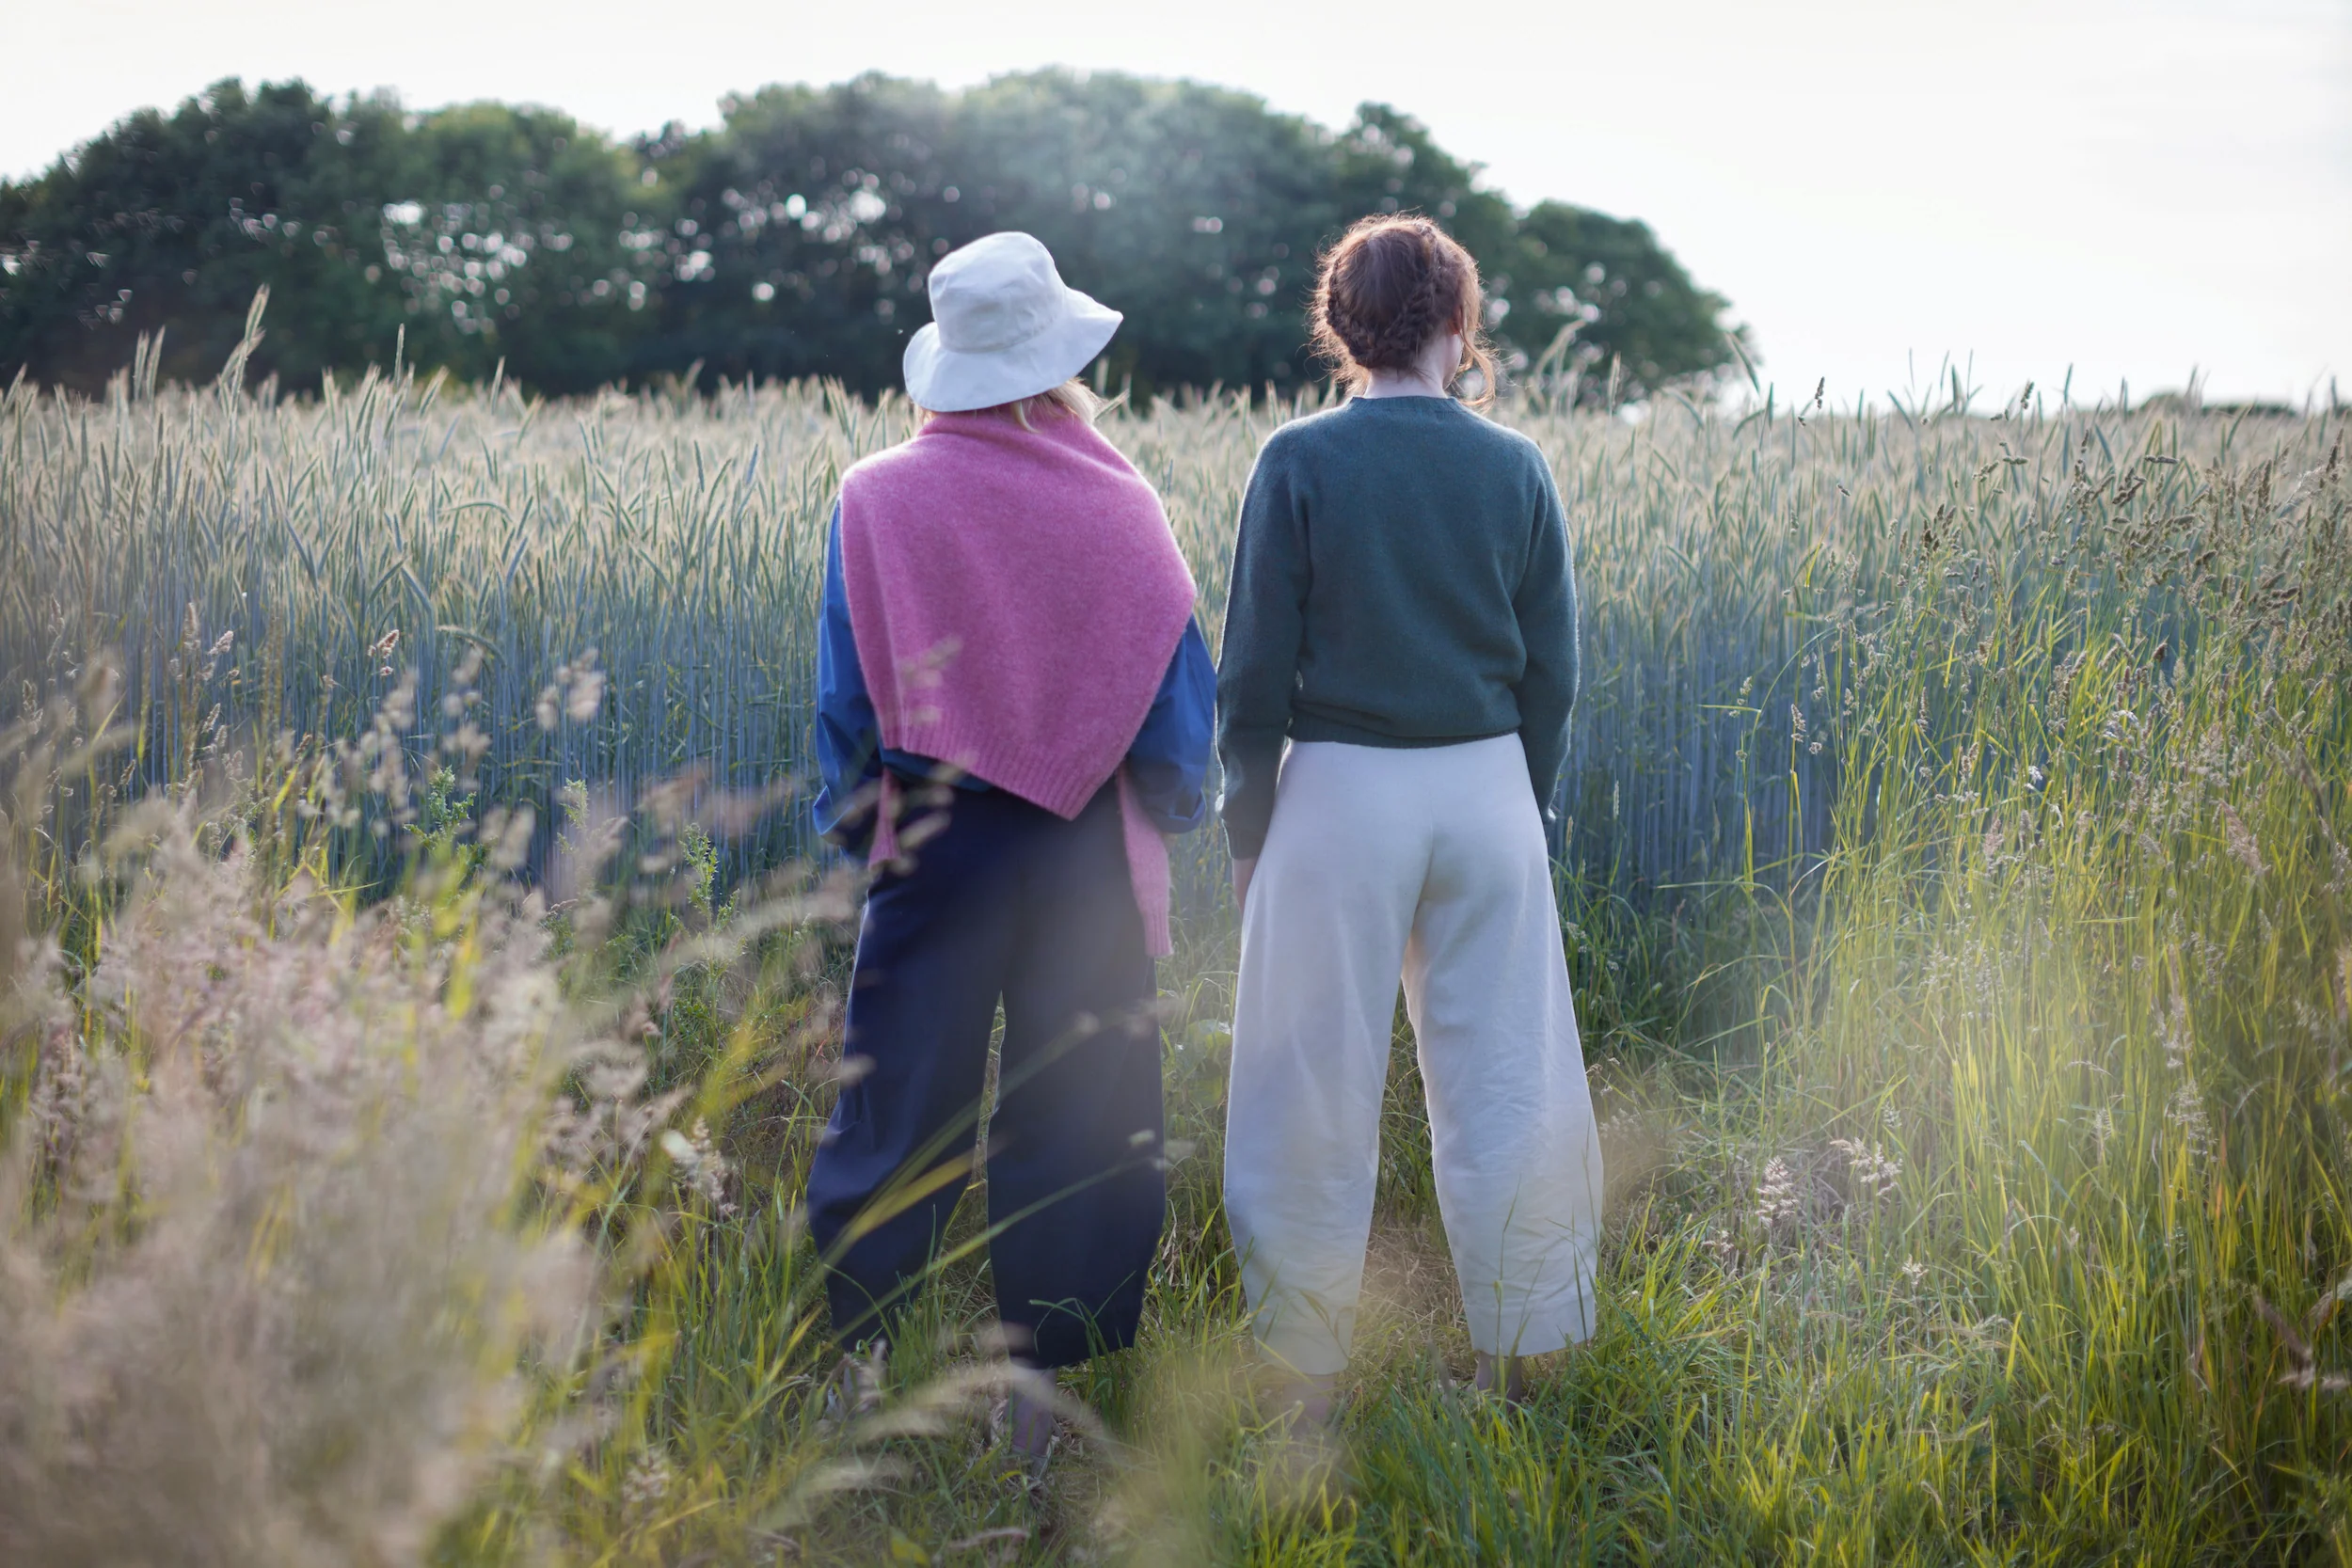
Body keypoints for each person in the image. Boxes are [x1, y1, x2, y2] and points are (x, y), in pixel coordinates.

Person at [804, 230, 1215, 1461]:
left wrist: (862, 828)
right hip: (1082, 850)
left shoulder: (873, 494)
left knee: (894, 1109)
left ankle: (858, 1379)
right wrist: (1166, 805)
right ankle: (1042, 1414)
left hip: (930, 839)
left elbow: (846, 691)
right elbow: (1176, 712)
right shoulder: (1124, 501)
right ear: (1060, 362)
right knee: (1080, 1115)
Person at [1216, 214, 1602, 1419]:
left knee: (1307, 1090)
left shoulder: (1297, 461)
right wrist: (1515, 802)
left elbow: (1252, 676)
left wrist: (1247, 830)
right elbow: (1554, 673)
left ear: (1340, 327)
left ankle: (1305, 1385)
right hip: (1486, 787)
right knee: (1510, 1085)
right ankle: (1514, 1369)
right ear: (1458, 322)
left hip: (1336, 795)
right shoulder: (1516, 466)